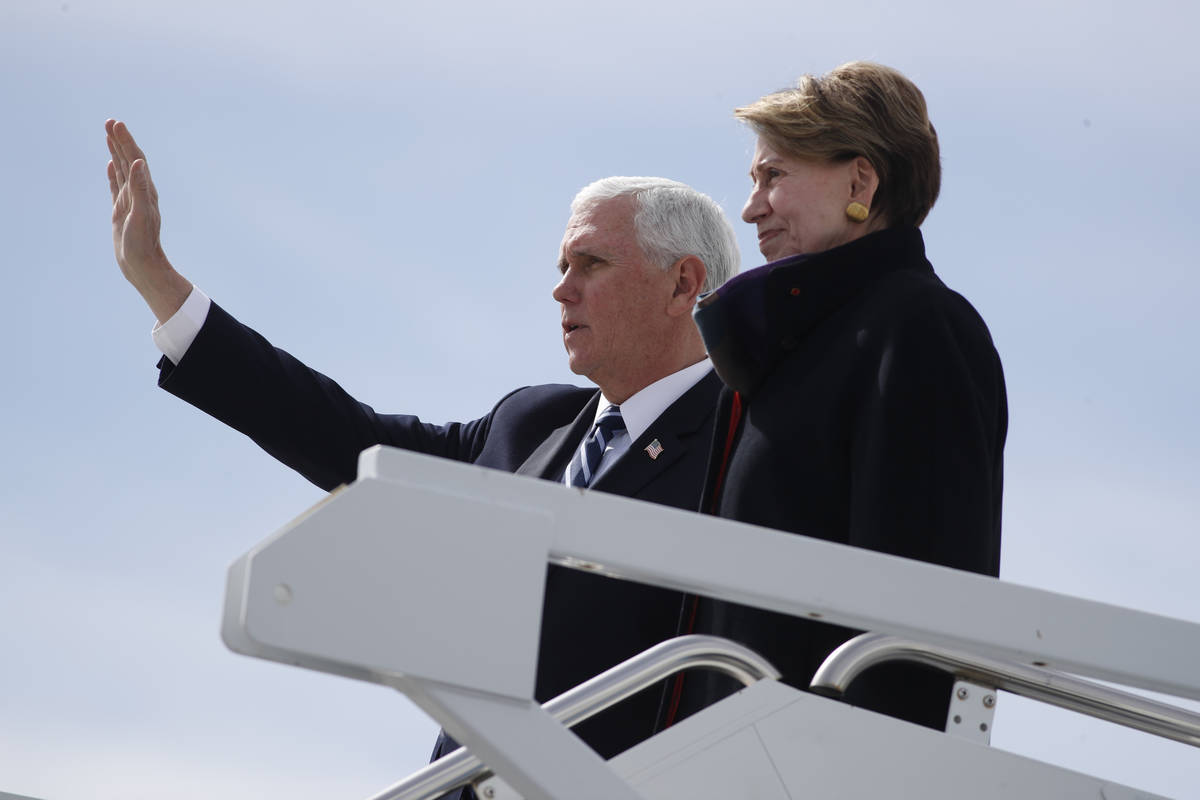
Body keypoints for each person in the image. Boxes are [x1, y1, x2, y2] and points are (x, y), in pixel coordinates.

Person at [104, 120, 740, 789]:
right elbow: (342, 436)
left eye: (592, 264)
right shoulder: (529, 424)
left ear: (681, 285)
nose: (562, 289)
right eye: (562, 267)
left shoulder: (750, 440)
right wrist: (160, 285)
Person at [679, 62, 1008, 730]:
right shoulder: (788, 352)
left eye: (774, 176)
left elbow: (918, 615)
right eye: (753, 181)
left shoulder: (916, 329)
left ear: (860, 181)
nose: (750, 207)